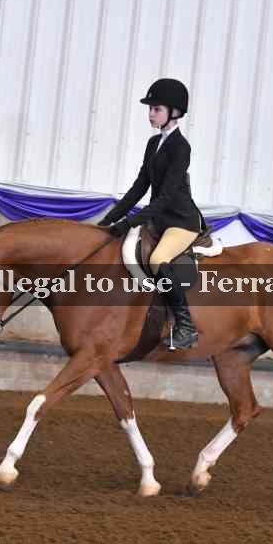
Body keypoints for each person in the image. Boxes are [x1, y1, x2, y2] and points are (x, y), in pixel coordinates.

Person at [98, 78, 205, 350]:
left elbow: (166, 196)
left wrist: (130, 222)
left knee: (158, 259)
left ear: (174, 112)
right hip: (159, 219)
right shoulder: (153, 143)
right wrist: (109, 220)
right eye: (150, 109)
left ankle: (186, 326)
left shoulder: (181, 147)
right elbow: (139, 187)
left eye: (156, 109)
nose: (150, 114)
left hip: (181, 221)